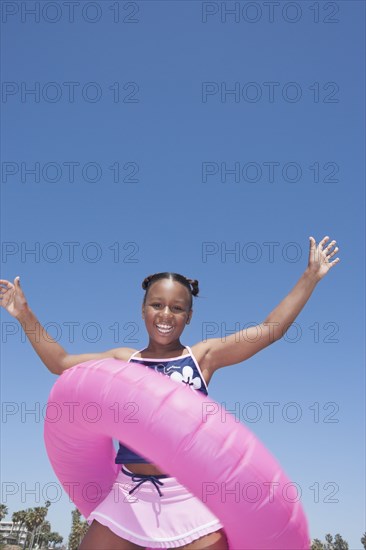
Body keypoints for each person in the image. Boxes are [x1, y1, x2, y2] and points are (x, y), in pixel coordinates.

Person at [0, 235, 339, 550]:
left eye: (177, 308)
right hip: (128, 495)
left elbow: (269, 330)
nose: (166, 314)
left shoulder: (201, 357)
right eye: (157, 305)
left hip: (187, 495)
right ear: (143, 309)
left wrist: (310, 276)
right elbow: (59, 362)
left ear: (189, 316)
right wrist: (24, 314)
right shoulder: (123, 360)